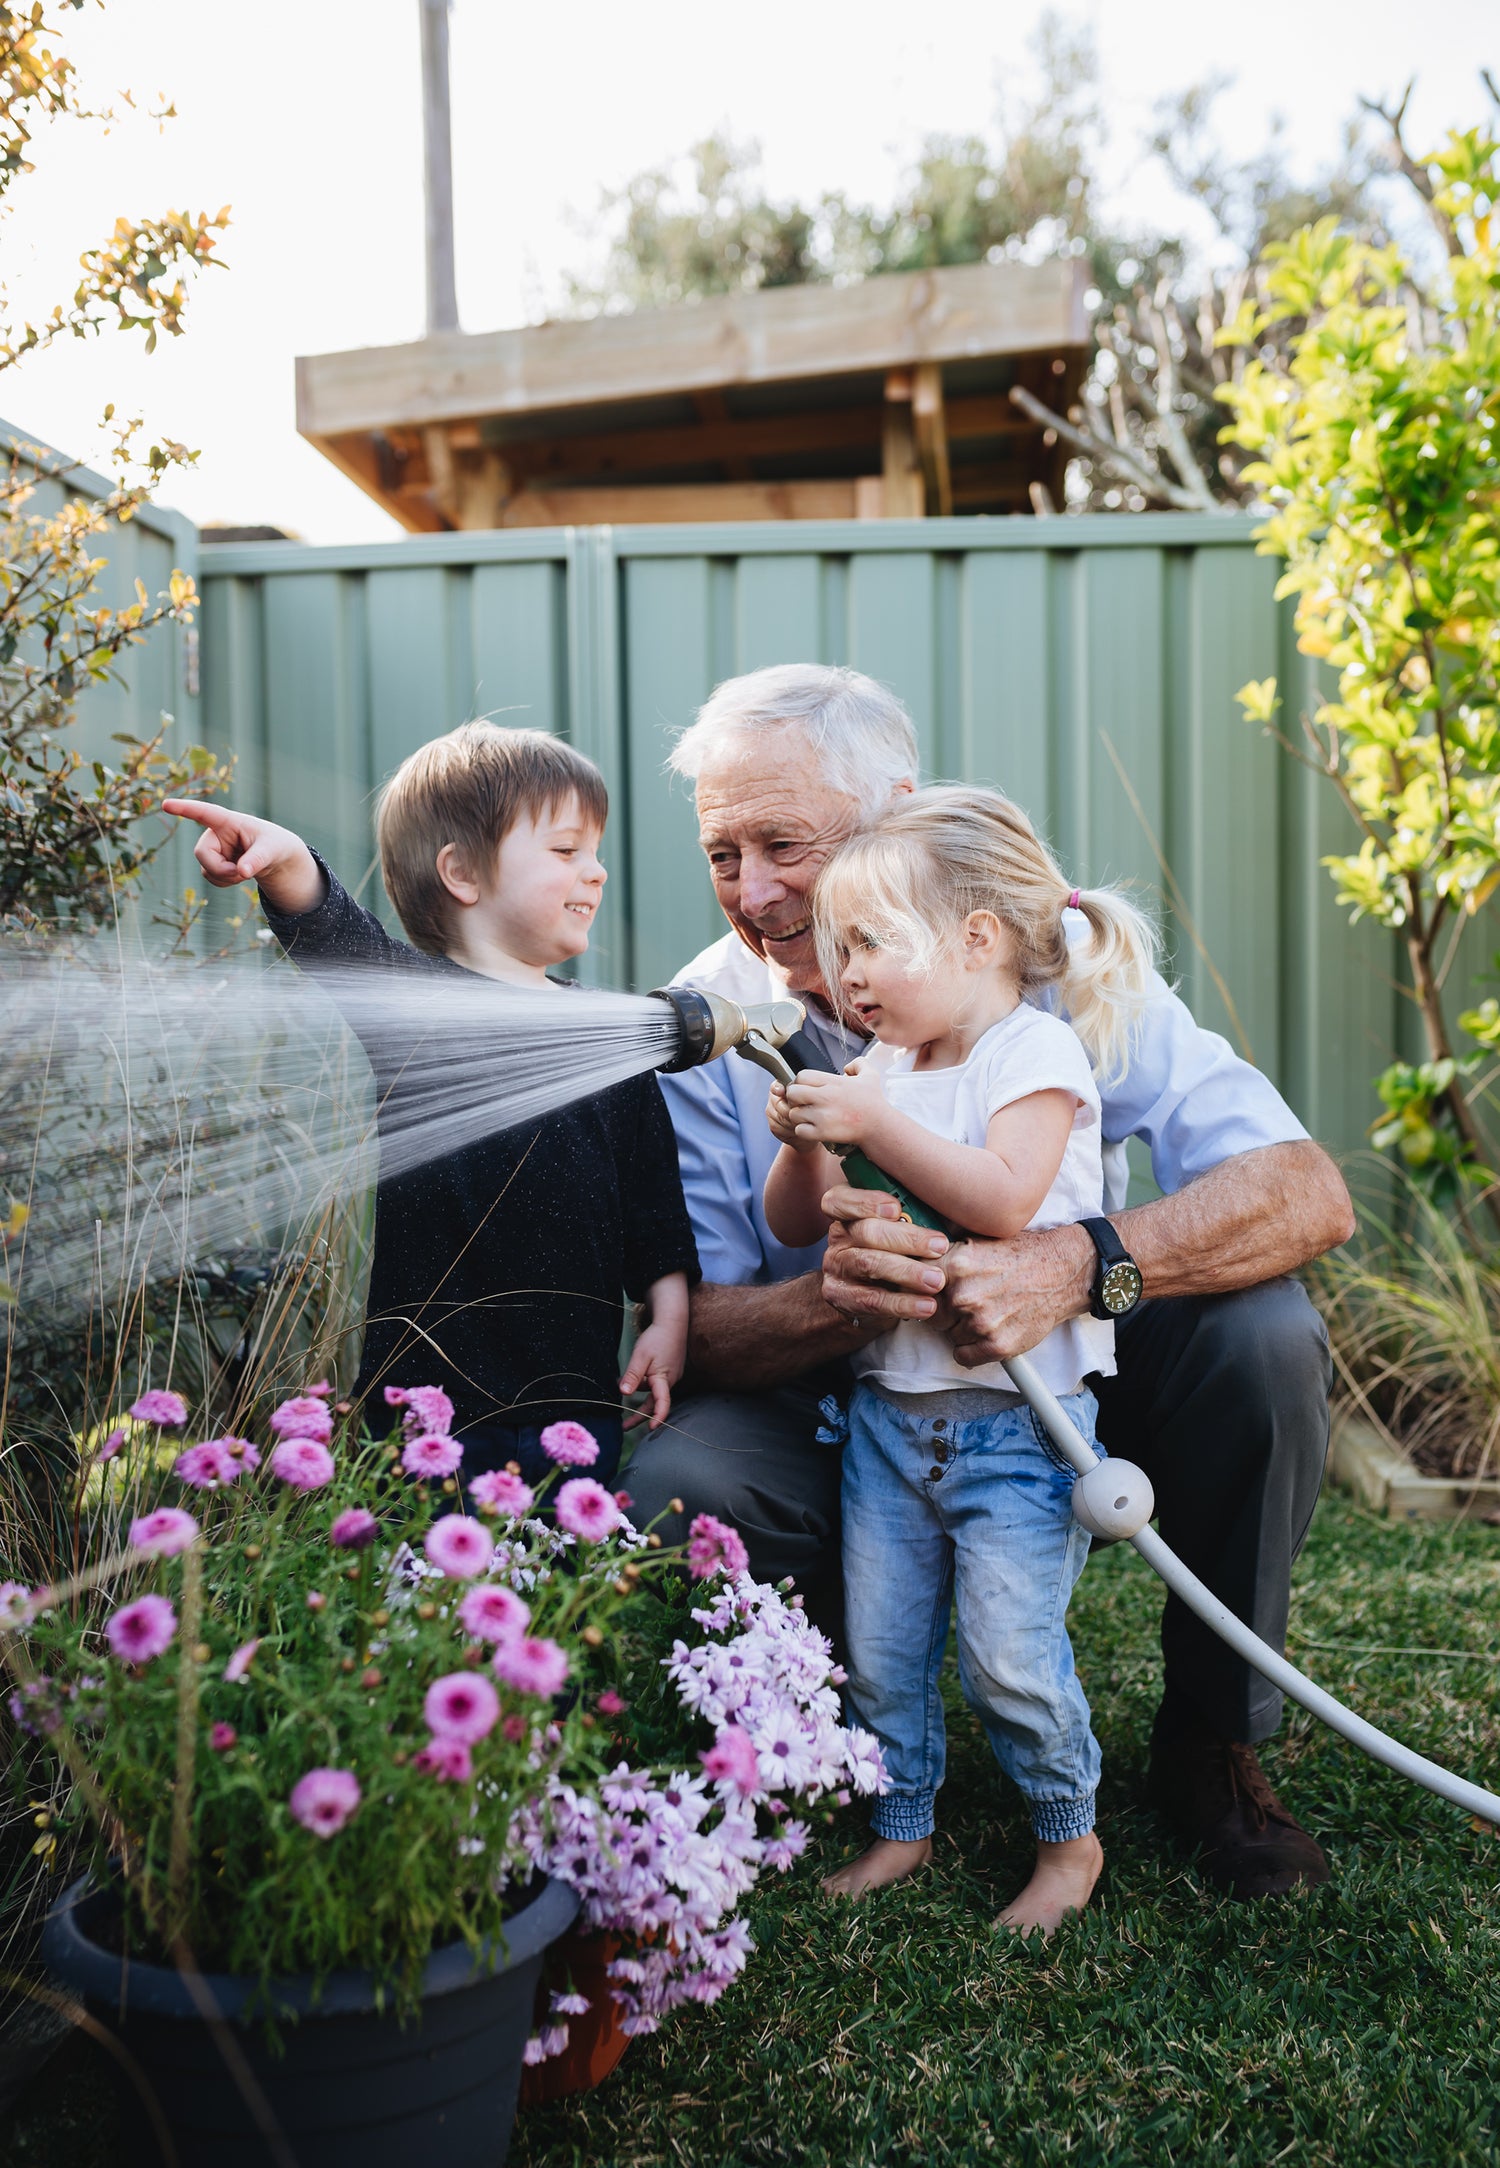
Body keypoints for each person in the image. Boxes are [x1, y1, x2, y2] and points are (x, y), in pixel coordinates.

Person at [623, 663, 1355, 1903]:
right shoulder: (712, 1018)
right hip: (849, 1403)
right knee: (681, 1471)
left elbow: (1302, 1190)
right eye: (722, 852)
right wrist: (843, 1297)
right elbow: (699, 1324)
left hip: (1051, 1381)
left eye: (785, 843)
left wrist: (1077, 1265)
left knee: (1262, 1339)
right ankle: (827, 1742)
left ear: (895, 811)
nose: (754, 893)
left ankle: (1210, 1748)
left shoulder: (1037, 967)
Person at [764, 785, 1158, 1929]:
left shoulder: (1031, 1053)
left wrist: (874, 1124)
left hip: (1019, 1433)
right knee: (881, 1649)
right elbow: (802, 1222)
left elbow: (1003, 1199)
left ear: (976, 937)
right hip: (890, 1423)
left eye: (872, 943)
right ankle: (902, 1826)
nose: (848, 975)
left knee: (1006, 1656)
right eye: (841, 951)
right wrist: (809, 1145)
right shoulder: (881, 1069)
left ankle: (1066, 1838)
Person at [165, 722, 698, 1485]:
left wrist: (668, 1316)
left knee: (553, 1597)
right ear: (462, 873)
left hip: (572, 1403)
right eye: (566, 850)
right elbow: (333, 935)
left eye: (596, 851)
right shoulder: (417, 1008)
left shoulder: (611, 1034)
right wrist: (285, 862)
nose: (597, 871)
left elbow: (654, 1203)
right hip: (425, 1404)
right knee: (424, 1586)